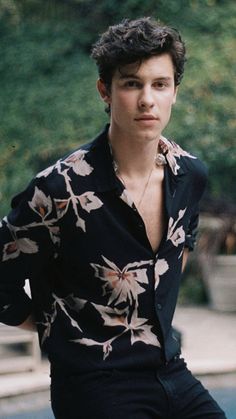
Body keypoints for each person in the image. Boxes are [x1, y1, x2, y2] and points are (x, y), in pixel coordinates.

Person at [0, 17, 226, 419]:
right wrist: (56, 326)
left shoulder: (190, 175)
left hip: (169, 370)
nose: (147, 100)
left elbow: (183, 244)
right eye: (131, 83)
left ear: (175, 91)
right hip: (93, 383)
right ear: (105, 90)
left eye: (160, 84)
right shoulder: (57, 190)